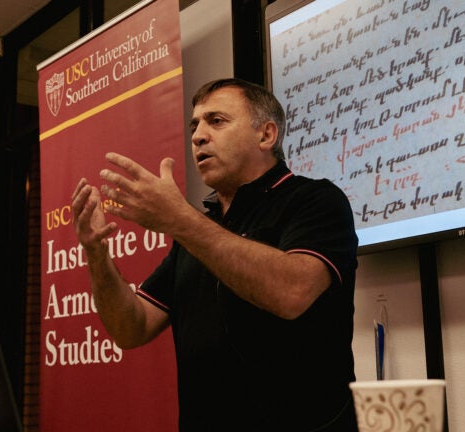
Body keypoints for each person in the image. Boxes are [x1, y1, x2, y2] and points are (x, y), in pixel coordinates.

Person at [71, 78, 359, 431]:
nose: (198, 136)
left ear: (266, 135)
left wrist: (180, 219)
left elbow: (292, 292)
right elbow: (131, 328)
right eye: (194, 125)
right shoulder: (196, 230)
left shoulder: (315, 200)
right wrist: (96, 254)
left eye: (216, 121)